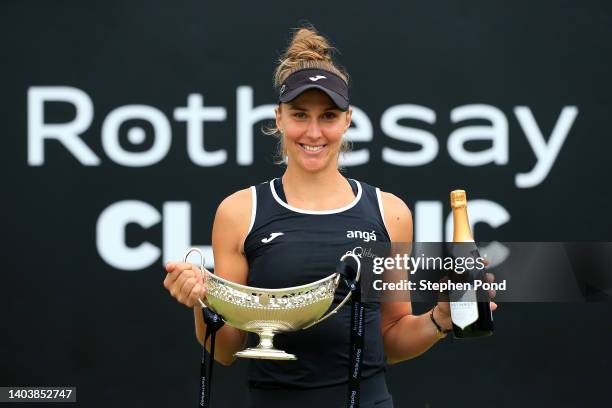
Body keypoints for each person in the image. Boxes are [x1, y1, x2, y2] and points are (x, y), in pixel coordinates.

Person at [163, 25, 496, 407]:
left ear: (348, 119)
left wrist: (439, 320)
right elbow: (225, 350)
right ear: (279, 118)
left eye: (329, 115)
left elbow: (390, 338)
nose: (314, 131)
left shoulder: (390, 212)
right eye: (300, 114)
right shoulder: (239, 212)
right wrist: (201, 302)